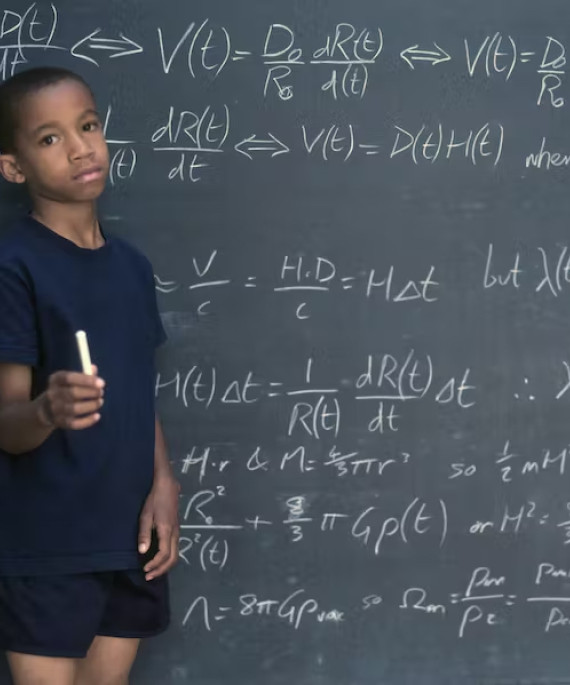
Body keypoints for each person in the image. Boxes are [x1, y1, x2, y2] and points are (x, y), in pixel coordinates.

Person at [0, 66, 180, 685]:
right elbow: (7, 424)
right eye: (49, 138)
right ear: (12, 167)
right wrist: (49, 409)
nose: (80, 148)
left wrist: (162, 484)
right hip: (48, 544)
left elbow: (137, 391)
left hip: (126, 536)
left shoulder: (132, 267)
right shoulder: (14, 266)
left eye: (88, 126)